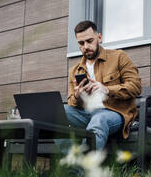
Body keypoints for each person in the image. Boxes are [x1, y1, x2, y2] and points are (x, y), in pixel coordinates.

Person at [56, 20, 141, 152]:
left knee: (99, 119)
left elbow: (135, 86)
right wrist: (78, 96)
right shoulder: (74, 70)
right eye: (81, 43)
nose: (86, 46)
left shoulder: (119, 57)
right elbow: (72, 102)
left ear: (99, 38)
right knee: (57, 113)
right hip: (85, 114)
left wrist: (106, 89)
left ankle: (82, 170)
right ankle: (70, 165)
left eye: (89, 41)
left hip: (114, 113)